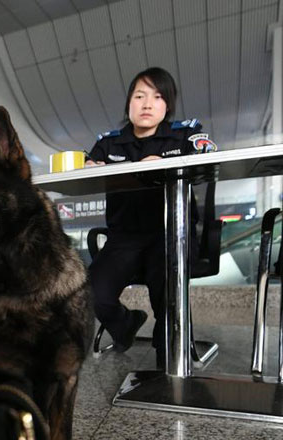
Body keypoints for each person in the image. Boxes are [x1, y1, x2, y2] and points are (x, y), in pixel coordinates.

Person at [86, 67, 217, 368]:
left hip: (171, 235)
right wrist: (90, 167)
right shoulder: (109, 143)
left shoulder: (184, 134)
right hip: (125, 238)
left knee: (166, 291)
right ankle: (126, 324)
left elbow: (209, 158)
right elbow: (88, 170)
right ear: (129, 103)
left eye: (157, 97)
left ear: (167, 105)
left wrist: (171, 163)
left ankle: (168, 361)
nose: (147, 104)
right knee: (90, 293)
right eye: (140, 96)